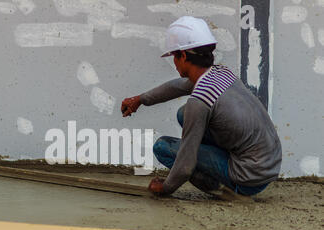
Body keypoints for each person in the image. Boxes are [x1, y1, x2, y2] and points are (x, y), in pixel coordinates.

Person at [121, 16, 282, 199]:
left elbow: (185, 166)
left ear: (182, 55)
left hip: (248, 177)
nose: (174, 63)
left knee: (162, 147)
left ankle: (224, 190)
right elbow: (178, 86)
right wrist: (140, 99)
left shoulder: (199, 101)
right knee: (184, 114)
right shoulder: (221, 74)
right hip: (266, 165)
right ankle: (224, 175)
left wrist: (165, 188)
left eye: (174, 56)